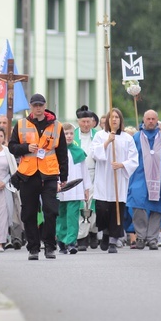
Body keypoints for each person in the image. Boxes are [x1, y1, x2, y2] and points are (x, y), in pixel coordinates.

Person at [8, 93, 68, 261]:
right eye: (35, 105)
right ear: (31, 106)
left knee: (51, 211)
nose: (38, 108)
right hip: (28, 174)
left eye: (40, 105)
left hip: (49, 174)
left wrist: (63, 176)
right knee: (28, 213)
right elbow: (12, 147)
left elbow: (62, 152)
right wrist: (26, 147)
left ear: (45, 105)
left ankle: (50, 246)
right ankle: (33, 248)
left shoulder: (57, 126)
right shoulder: (21, 125)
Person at [127, 110, 161, 250]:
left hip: (159, 179)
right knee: (138, 204)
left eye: (153, 119)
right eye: (148, 119)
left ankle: (152, 238)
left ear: (157, 120)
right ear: (143, 120)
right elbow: (129, 157)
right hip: (139, 178)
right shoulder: (136, 138)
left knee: (157, 208)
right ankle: (140, 236)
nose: (150, 121)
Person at [89, 108, 138, 253]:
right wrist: (107, 142)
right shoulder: (100, 135)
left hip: (118, 178)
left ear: (120, 120)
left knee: (116, 210)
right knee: (103, 209)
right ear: (108, 120)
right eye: (112, 117)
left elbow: (134, 158)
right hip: (104, 178)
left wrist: (122, 164)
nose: (114, 119)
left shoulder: (127, 138)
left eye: (117, 117)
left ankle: (112, 241)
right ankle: (105, 233)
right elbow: (94, 153)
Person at [57, 123, 91, 254]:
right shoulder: (56, 152)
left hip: (75, 189)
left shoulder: (78, 152)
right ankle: (61, 240)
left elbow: (84, 172)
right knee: (61, 215)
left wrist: (86, 188)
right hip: (60, 188)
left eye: (71, 133)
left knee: (72, 216)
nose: (69, 136)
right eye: (66, 134)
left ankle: (71, 242)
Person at [73, 105, 99, 251]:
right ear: (78, 122)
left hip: (95, 174)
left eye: (88, 121)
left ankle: (93, 232)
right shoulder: (73, 136)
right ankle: (81, 237)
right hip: (79, 175)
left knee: (93, 206)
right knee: (82, 206)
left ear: (92, 122)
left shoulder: (98, 135)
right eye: (83, 122)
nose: (86, 124)